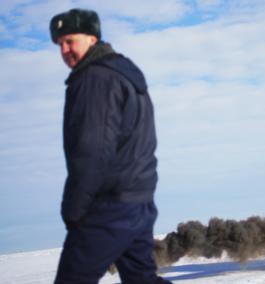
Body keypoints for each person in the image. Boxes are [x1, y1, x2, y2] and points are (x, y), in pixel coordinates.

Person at [50, 8, 171, 284]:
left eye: (71, 41)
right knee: (142, 280)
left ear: (92, 38)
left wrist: (74, 209)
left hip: (109, 206)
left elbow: (91, 150)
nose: (65, 50)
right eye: (60, 44)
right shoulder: (123, 73)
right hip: (138, 201)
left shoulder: (94, 78)